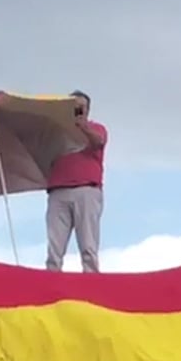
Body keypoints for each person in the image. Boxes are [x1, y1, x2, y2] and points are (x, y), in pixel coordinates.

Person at [45, 90, 108, 273]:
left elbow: (98, 142)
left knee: (88, 245)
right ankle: (50, 282)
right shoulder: (56, 133)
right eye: (74, 106)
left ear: (88, 110)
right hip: (58, 192)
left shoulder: (96, 128)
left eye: (82, 107)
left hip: (86, 190)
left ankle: (91, 282)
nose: (78, 109)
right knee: (54, 247)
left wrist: (82, 127)